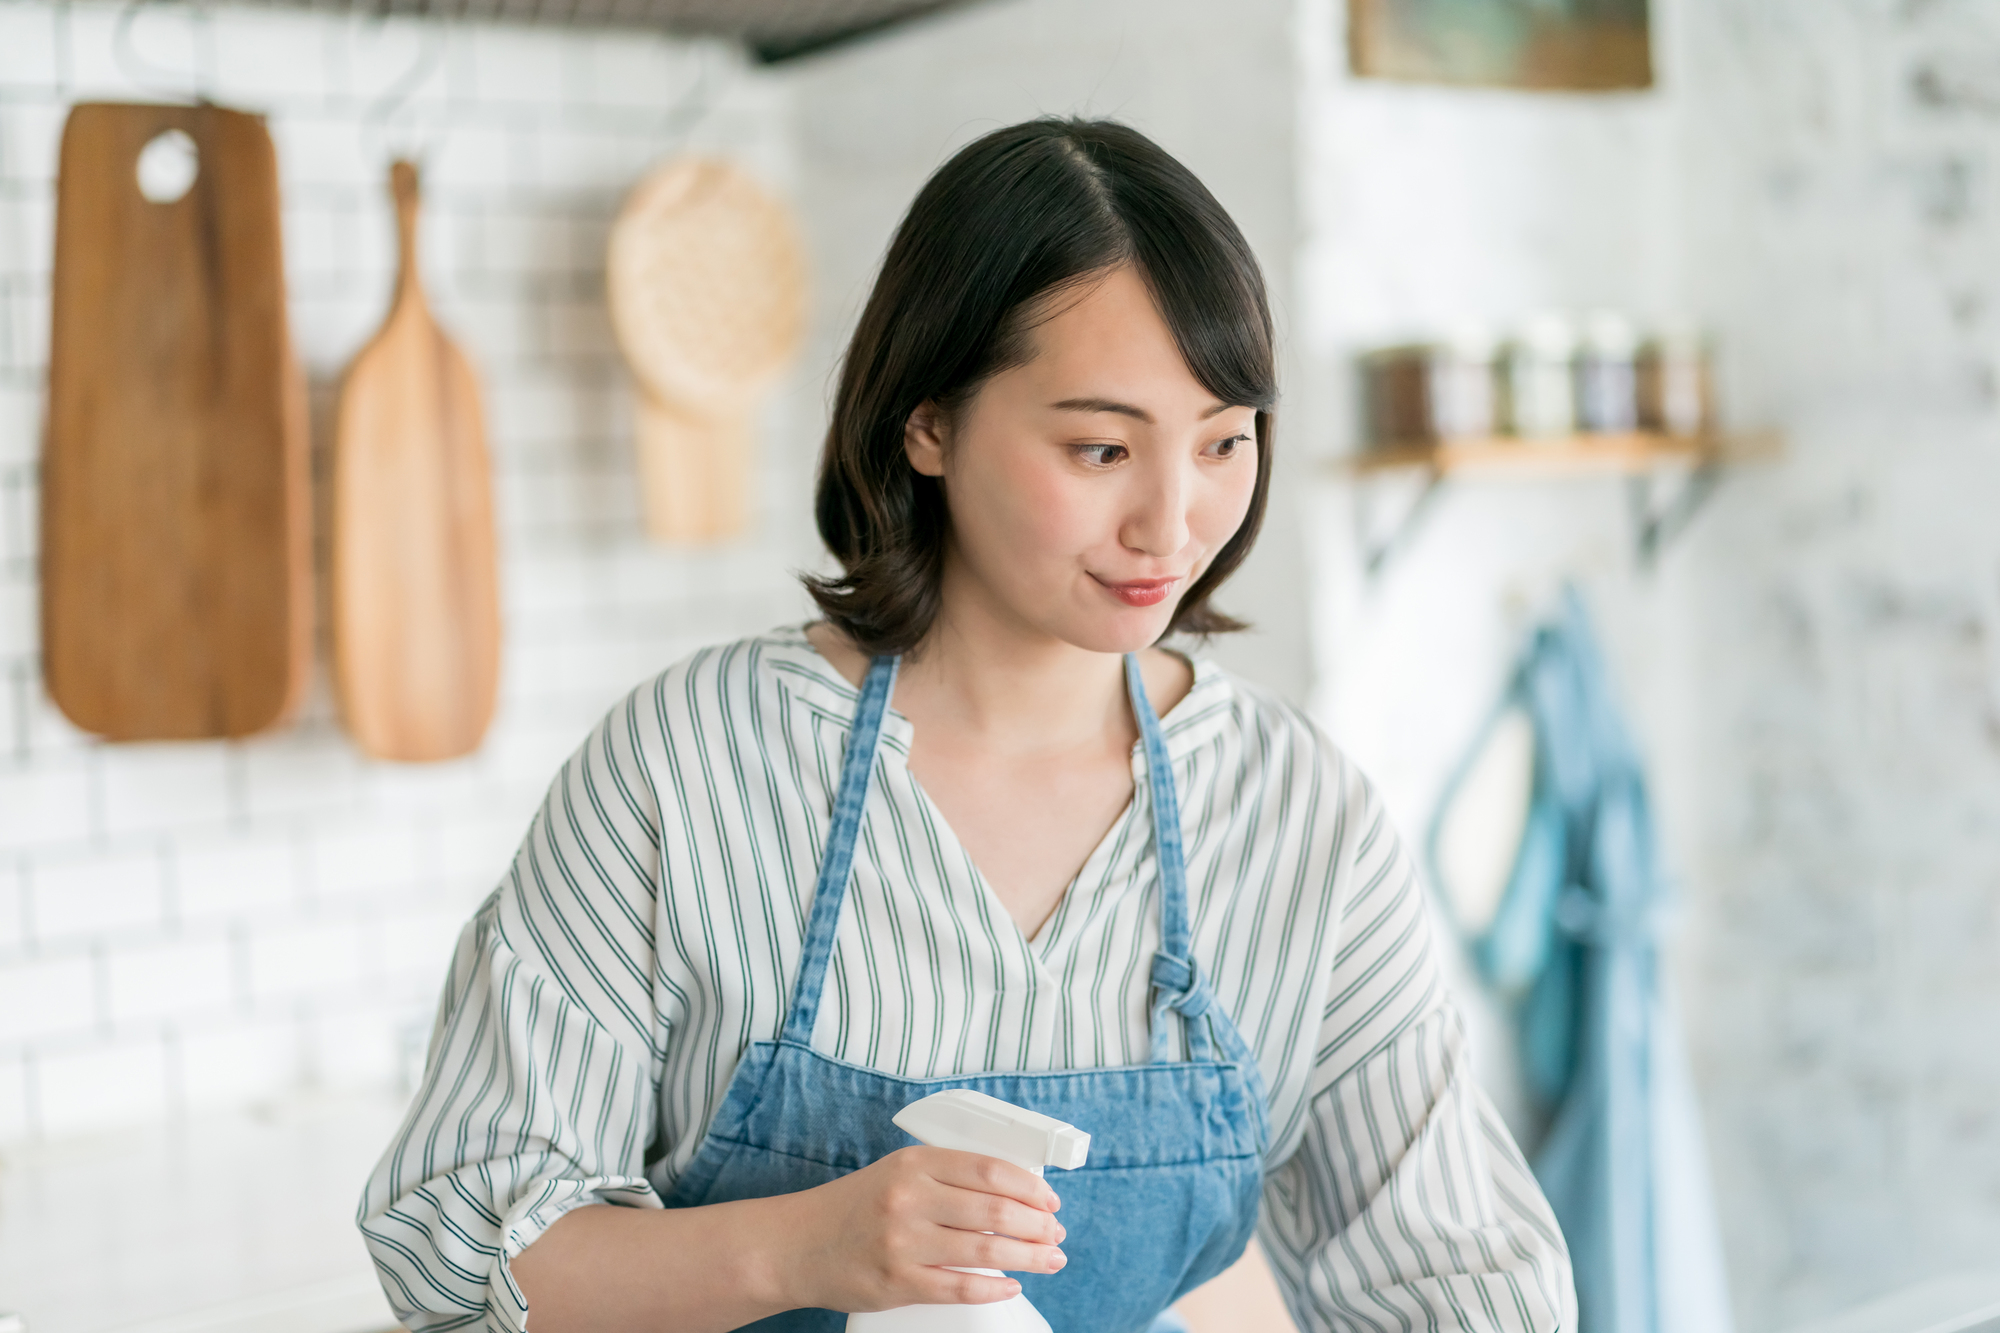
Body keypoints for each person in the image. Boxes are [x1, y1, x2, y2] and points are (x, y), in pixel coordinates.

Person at [358, 117, 1574, 1333]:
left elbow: (1463, 1283)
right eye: (1100, 446)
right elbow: (460, 1242)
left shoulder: (1294, 809)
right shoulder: (692, 761)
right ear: (926, 422)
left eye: (1221, 441)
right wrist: (801, 1247)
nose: (1171, 521)